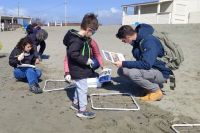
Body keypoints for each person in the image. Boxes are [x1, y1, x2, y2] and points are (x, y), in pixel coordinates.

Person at [114, 24, 171, 101]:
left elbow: (146, 64)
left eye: (123, 40)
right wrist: (123, 62)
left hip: (161, 72)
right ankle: (148, 87)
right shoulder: (138, 40)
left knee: (132, 73)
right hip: (151, 68)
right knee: (122, 70)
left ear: (128, 37)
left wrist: (124, 63)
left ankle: (156, 91)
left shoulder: (149, 41)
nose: (124, 42)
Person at [63, 13, 99, 118]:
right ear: (88, 30)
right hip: (78, 68)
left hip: (77, 67)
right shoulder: (77, 39)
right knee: (83, 89)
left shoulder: (77, 37)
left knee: (79, 86)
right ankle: (82, 111)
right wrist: (86, 60)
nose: (92, 35)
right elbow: (73, 53)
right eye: (93, 32)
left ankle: (75, 103)